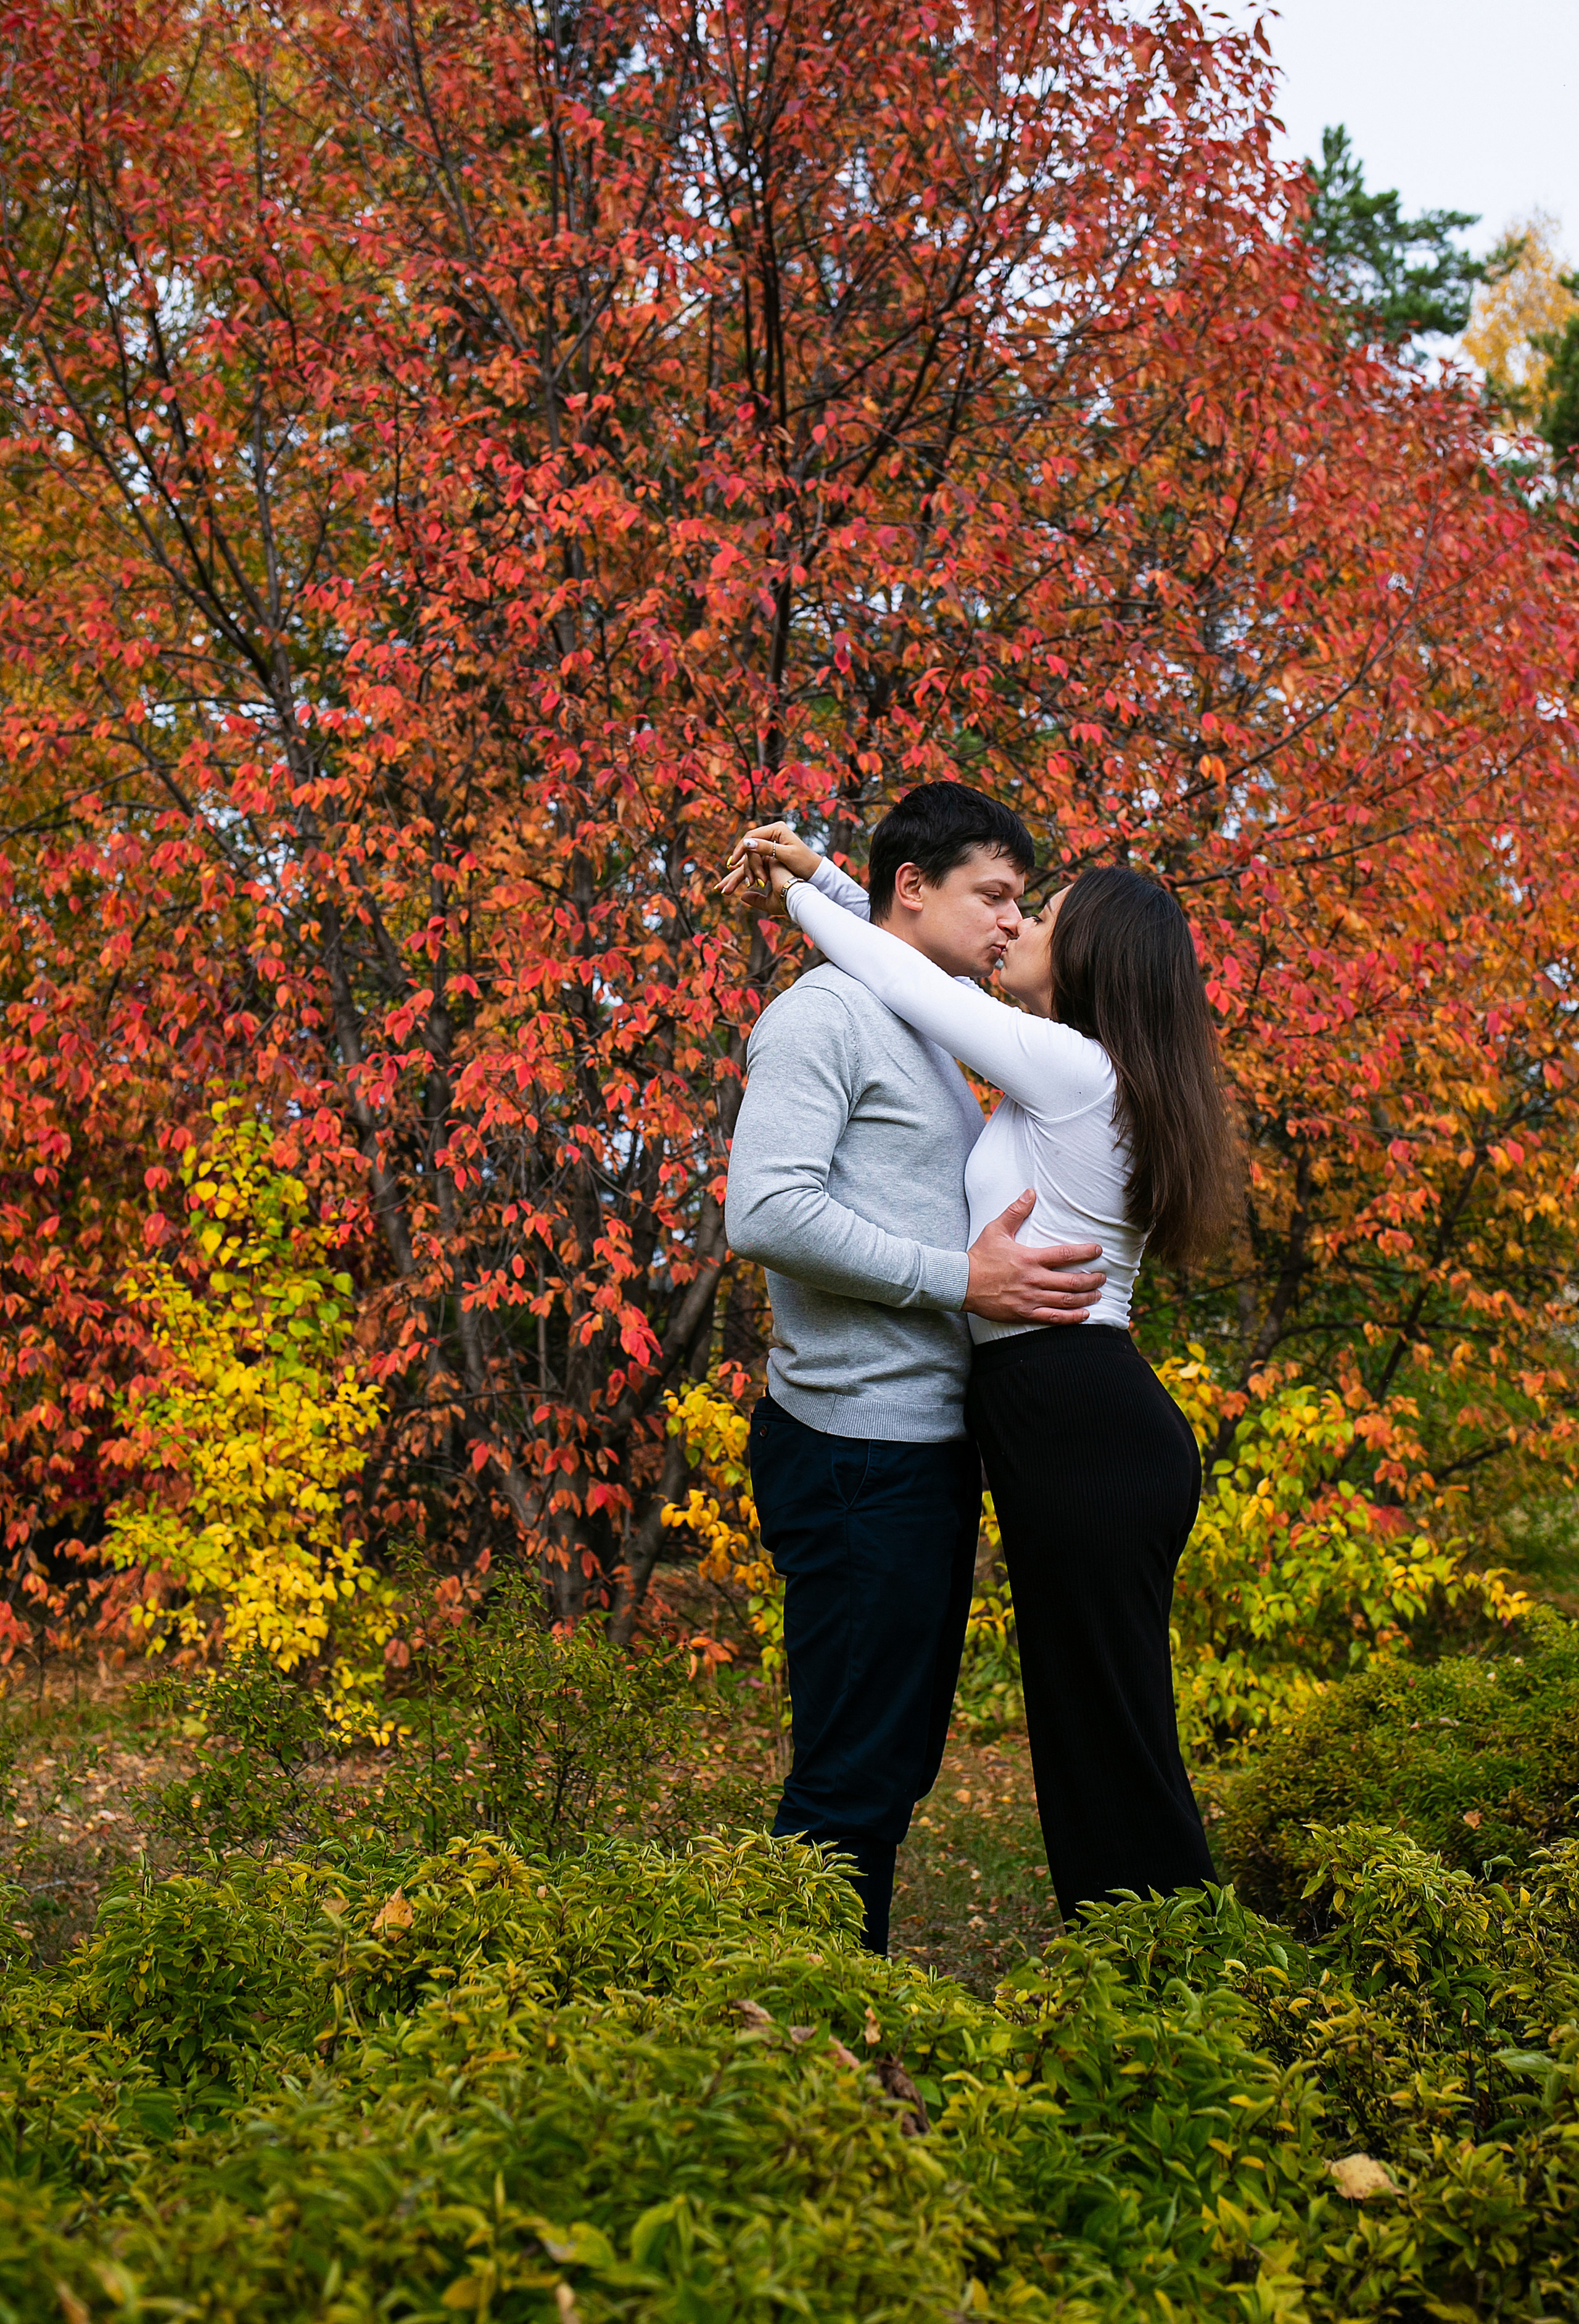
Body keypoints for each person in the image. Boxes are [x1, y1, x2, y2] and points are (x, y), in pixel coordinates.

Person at [725, 817, 1239, 1928]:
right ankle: (1149, 1966)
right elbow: (906, 965)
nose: (1017, 925)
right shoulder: (1064, 1066)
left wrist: (801, 891)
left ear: (1092, 956)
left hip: (1080, 1424)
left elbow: (904, 971)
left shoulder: (1069, 1068)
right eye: (1005, 900)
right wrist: (821, 875)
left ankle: (1171, 1971)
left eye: (1039, 913)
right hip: (1064, 1421)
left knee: (1107, 1737)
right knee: (1092, 1731)